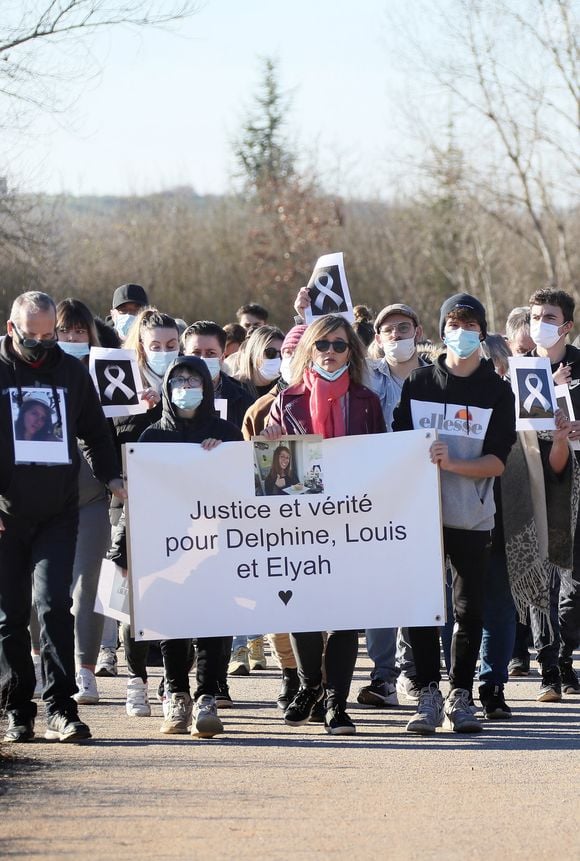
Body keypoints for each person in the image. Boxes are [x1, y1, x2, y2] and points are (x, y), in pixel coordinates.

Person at [0, 291, 125, 744]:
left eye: (49, 335)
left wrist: (112, 478)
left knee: (55, 605)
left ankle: (60, 706)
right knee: (10, 615)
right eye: (32, 336)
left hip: (57, 512)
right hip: (6, 516)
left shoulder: (70, 372)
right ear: (12, 329)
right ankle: (17, 707)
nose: (41, 343)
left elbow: (93, 430)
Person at [392, 292, 516, 734]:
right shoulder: (419, 384)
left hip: (472, 515)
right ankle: (427, 692)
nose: (460, 333)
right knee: (423, 606)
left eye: (469, 325)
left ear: (482, 332)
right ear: (441, 329)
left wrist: (454, 464)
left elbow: (498, 462)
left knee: (469, 609)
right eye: (453, 324)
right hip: (421, 514)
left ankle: (460, 695)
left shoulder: (497, 391)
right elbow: (398, 447)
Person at [263, 313, 386, 735]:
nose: (330, 353)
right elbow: (271, 464)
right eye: (322, 344)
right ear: (308, 349)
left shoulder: (367, 401)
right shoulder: (286, 400)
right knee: (302, 609)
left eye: (339, 345)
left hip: (352, 521)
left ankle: (336, 703)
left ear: (351, 351)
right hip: (299, 524)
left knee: (346, 617)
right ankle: (310, 684)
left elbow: (381, 461)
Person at [108, 356, 242, 739]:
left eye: (193, 379)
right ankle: (176, 695)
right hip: (168, 546)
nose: (186, 387)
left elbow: (242, 489)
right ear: (166, 388)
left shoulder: (227, 433)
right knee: (172, 620)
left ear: (207, 385)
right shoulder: (152, 438)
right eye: (178, 380)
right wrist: (124, 550)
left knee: (214, 619)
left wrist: (224, 458)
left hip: (217, 544)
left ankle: (207, 697)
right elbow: (140, 499)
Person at [110, 308, 181, 715]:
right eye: (155, 346)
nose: (164, 353)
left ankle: (172, 685)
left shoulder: (188, 379)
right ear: (140, 347)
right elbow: (107, 436)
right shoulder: (119, 384)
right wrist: (140, 409)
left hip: (180, 506)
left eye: (171, 346)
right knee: (134, 600)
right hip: (133, 505)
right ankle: (136, 679)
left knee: (176, 597)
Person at [526, 288, 580, 698]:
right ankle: (549, 667)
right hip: (538, 481)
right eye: (535, 316)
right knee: (543, 576)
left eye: (549, 316)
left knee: (574, 580)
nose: (540, 324)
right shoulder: (519, 371)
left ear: (567, 326)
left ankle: (566, 656)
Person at [182, 320, 253, 428]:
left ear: (222, 357)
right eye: (196, 353)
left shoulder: (244, 400)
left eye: (211, 353)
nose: (202, 359)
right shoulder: (170, 396)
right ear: (184, 355)